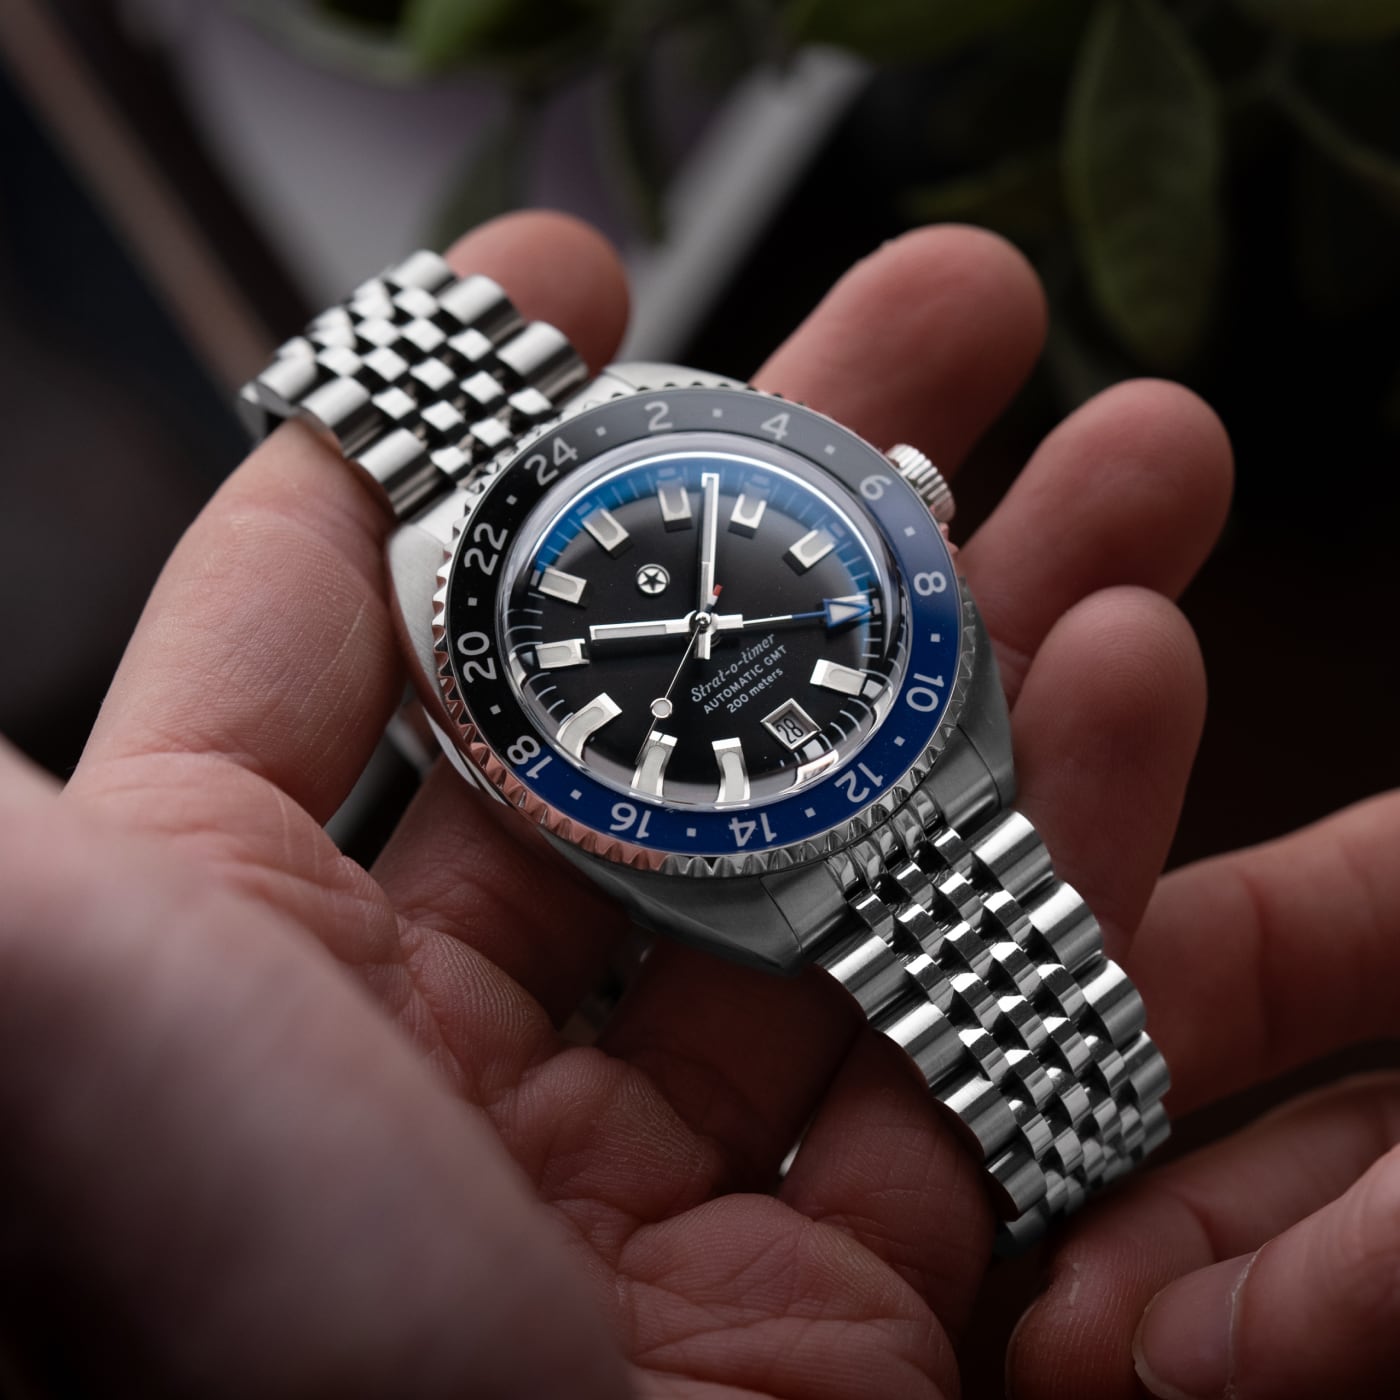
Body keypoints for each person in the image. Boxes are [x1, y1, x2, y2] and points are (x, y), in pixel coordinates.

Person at [0, 211, 1393, 1399]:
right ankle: (1079, 1143)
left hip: (893, 773)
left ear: (899, 501)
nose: (710, 626)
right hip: (771, 831)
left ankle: (1087, 1132)